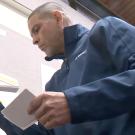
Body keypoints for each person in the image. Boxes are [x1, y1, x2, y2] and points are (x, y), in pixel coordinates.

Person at [1, 1, 135, 135]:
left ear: (58, 18)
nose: (34, 41)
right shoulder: (53, 84)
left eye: (36, 30)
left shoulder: (105, 29)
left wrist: (74, 103)